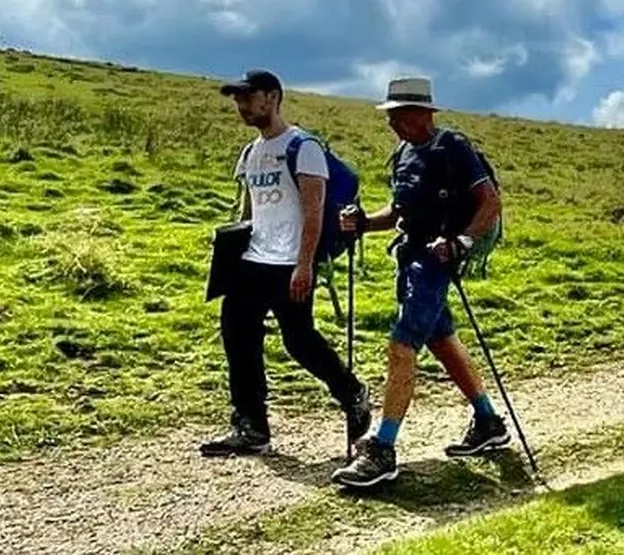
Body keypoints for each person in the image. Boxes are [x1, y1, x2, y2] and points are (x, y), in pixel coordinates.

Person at [330, 76, 510, 488]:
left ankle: (382, 449)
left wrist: (462, 242)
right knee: (441, 339)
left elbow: (490, 203)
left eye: (398, 115)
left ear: (423, 114)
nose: (392, 123)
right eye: (390, 116)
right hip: (410, 257)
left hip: (435, 260)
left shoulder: (454, 148)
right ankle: (488, 422)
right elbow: (396, 213)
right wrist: (360, 223)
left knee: (402, 343)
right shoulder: (403, 153)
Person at [200, 69, 372, 457]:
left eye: (249, 97)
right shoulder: (252, 152)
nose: (242, 106)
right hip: (252, 261)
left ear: (273, 97)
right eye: (238, 99)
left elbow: (313, 212)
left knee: (299, 341)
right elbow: (249, 211)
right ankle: (250, 426)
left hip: (290, 262)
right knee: (238, 337)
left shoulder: (303, 146)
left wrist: (305, 265)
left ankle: (352, 393)